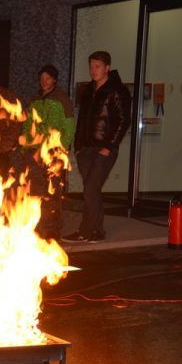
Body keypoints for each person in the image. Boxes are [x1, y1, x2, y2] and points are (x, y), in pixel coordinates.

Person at [63, 51, 131, 243]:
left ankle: (85, 231)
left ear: (107, 67)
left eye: (98, 66)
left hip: (104, 150)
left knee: (90, 190)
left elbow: (124, 120)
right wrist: (77, 146)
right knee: (91, 190)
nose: (93, 70)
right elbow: (82, 120)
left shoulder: (117, 90)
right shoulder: (88, 90)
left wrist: (109, 146)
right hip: (85, 150)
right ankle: (97, 231)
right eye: (91, 66)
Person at [19, 64, 76, 240]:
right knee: (36, 191)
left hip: (53, 153)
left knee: (53, 193)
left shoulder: (62, 100)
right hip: (35, 153)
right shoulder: (35, 99)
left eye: (48, 78)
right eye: (42, 78)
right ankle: (39, 228)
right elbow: (28, 125)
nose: (44, 82)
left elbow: (69, 126)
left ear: (55, 80)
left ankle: (52, 231)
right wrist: (24, 147)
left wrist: (62, 150)